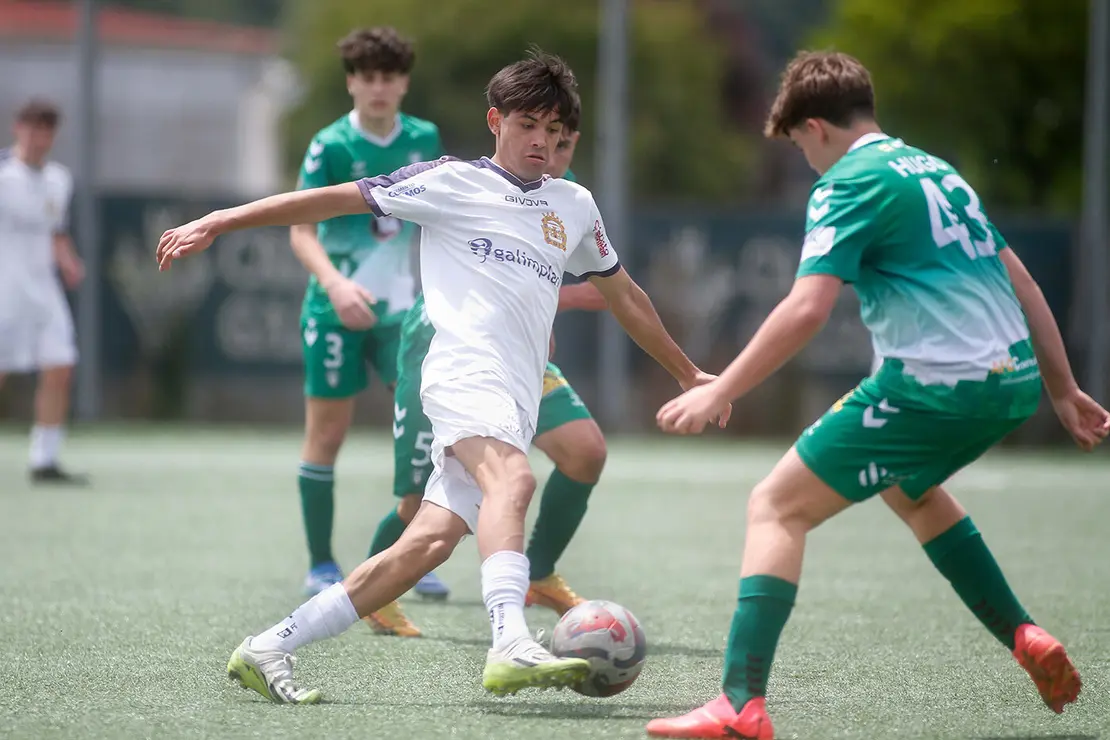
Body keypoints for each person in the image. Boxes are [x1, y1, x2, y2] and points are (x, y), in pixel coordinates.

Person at [157, 49, 726, 703]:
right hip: (461, 375)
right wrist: (220, 220)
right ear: (495, 121)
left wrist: (689, 374)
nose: (540, 141)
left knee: (424, 546)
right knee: (514, 476)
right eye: (526, 125)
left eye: (553, 130)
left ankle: (269, 645)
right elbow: (329, 201)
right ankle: (510, 641)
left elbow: (625, 296)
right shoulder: (449, 182)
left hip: (516, 394)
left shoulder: (573, 206)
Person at [648, 51, 1109, 739]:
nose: (806, 159)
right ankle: (1023, 634)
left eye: (800, 144)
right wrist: (1063, 388)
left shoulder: (848, 183)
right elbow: (1026, 285)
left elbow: (806, 310)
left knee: (775, 507)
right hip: (1010, 386)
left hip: (935, 387)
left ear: (816, 127)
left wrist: (721, 390)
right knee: (907, 488)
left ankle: (739, 704)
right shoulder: (941, 175)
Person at [363, 126, 608, 637]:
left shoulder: (568, 200)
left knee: (585, 451)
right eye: (540, 137)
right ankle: (371, 594)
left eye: (563, 145)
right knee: (420, 503)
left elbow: (559, 284)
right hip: (446, 351)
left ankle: (536, 573)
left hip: (522, 363)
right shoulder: (469, 182)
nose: (551, 154)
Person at [290, 27, 446, 596]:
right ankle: (321, 566)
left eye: (390, 77)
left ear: (404, 83)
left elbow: (439, 222)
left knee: (428, 431)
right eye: (368, 77)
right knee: (327, 435)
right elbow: (301, 231)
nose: (379, 88)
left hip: (405, 316)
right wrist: (334, 286)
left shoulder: (425, 138)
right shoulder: (329, 145)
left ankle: (409, 560)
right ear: (352, 82)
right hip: (335, 312)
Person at [0, 99, 86, 484]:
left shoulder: (59, 180)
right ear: (19, 128)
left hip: (43, 289)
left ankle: (44, 459)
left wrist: (68, 261)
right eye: (32, 129)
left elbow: (56, 233)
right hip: (5, 286)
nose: (38, 139)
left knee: (60, 365)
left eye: (46, 131)